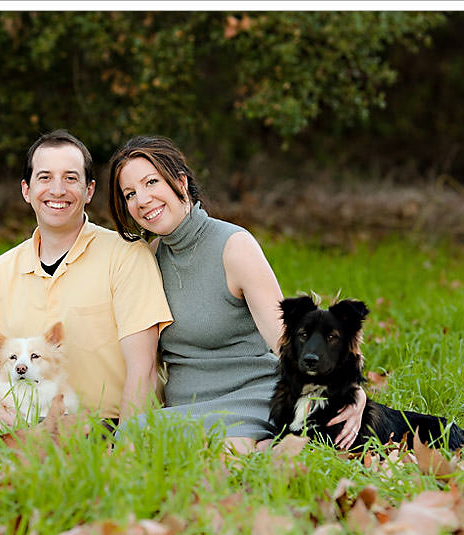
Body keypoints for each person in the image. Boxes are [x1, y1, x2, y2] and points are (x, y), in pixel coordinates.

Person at [0, 130, 173, 428]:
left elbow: (144, 370)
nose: (58, 190)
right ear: (27, 190)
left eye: (71, 178)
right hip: (15, 419)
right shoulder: (0, 271)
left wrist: (126, 445)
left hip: (97, 423)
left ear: (89, 190)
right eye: (45, 177)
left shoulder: (126, 257)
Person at [107, 135, 364, 453]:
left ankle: (269, 447)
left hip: (249, 400)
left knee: (222, 460)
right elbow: (143, 365)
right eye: (130, 193)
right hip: (185, 410)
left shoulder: (234, 247)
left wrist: (352, 389)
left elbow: (289, 342)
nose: (142, 200)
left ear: (181, 182)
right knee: (132, 445)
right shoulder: (148, 258)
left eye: (151, 182)